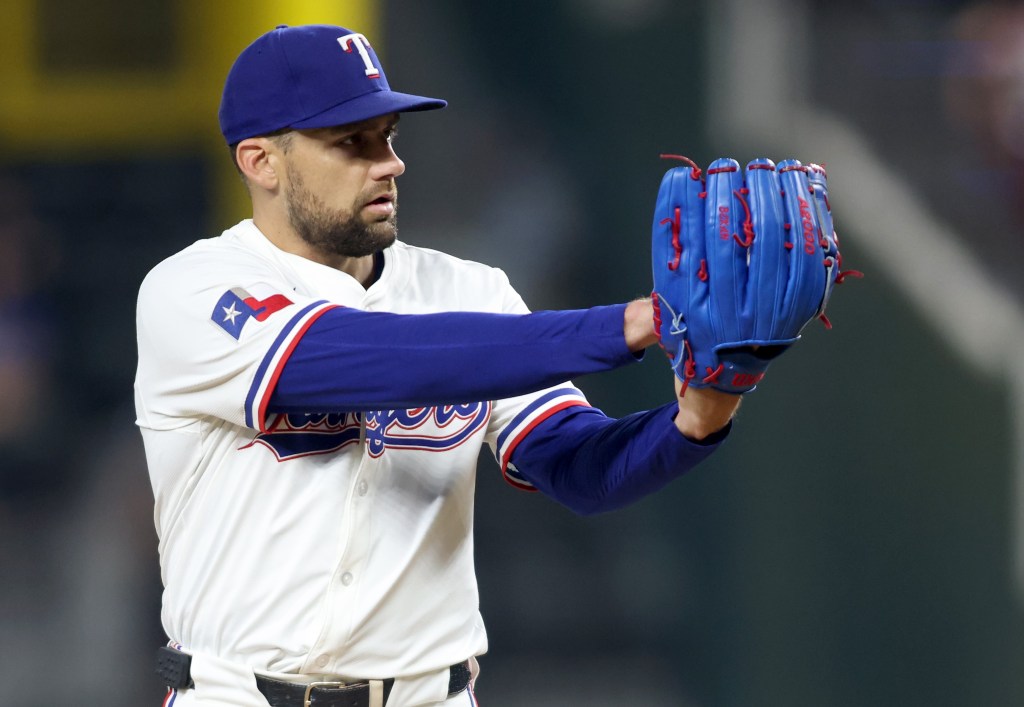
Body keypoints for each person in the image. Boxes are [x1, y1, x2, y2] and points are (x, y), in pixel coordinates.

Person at [136, 24, 741, 707]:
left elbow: (581, 470)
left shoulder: (469, 291)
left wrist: (697, 418)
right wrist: (634, 322)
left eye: (388, 135)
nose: (389, 162)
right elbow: (370, 359)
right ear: (260, 161)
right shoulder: (192, 291)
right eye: (350, 142)